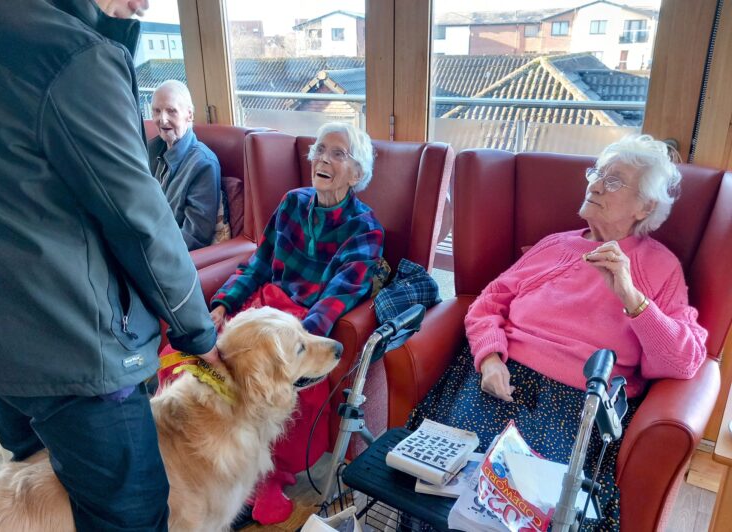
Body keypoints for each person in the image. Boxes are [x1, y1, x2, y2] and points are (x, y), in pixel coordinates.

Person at [0, 1, 220, 530]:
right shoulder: (73, 55)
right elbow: (140, 220)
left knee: (41, 506)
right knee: (132, 514)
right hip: (80, 352)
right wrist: (199, 333)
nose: (147, 3)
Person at [409, 135, 707, 531]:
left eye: (614, 181)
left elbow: (682, 361)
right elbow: (486, 303)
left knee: (527, 511)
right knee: (436, 487)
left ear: (646, 206)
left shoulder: (660, 268)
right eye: (596, 173)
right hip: (499, 377)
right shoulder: (554, 246)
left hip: (576, 404)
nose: (596, 184)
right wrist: (490, 358)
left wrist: (631, 296)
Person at [209, 122, 384, 524]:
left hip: (303, 323)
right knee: (203, 360)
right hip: (261, 311)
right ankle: (215, 454)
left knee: (284, 382)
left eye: (337, 154)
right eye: (320, 150)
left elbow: (338, 297)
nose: (323, 159)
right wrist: (222, 304)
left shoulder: (364, 228)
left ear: (356, 173)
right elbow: (256, 265)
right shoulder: (291, 203)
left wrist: (299, 340)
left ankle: (263, 474)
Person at [148, 80, 225, 250]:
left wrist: (146, 248)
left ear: (189, 115)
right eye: (157, 111)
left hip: (165, 255)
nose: (163, 119)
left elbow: (194, 236)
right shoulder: (149, 151)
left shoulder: (203, 164)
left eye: (171, 111)